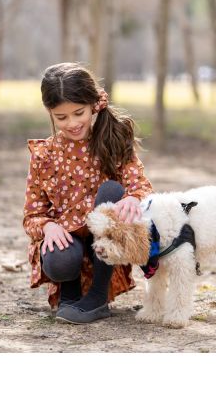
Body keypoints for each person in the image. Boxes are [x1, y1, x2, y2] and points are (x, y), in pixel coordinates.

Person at [23, 62, 153, 324]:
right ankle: (69, 295)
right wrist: (48, 227)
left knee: (113, 189)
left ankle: (98, 296)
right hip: (68, 245)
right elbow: (32, 215)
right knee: (59, 256)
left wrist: (131, 197)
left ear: (94, 104)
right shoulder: (44, 155)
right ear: (50, 113)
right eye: (61, 117)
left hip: (104, 246)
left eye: (78, 113)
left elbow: (141, 184)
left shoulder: (113, 139)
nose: (72, 123)